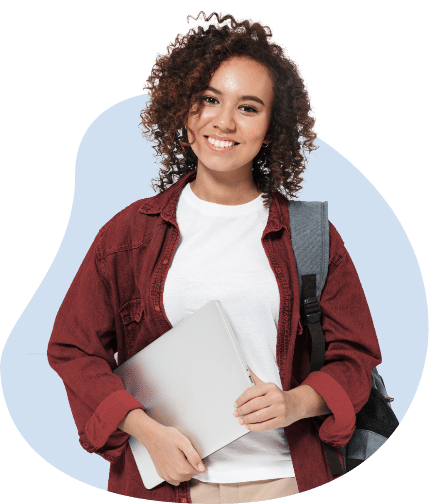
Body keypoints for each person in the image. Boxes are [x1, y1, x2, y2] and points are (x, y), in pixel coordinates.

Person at [47, 10, 382, 504]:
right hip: (172, 484)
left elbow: (356, 357)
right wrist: (147, 431)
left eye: (248, 107)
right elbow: (73, 350)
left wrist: (294, 403)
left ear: (272, 129)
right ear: (184, 111)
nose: (223, 121)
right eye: (208, 99)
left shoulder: (310, 234)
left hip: (290, 478)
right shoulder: (128, 236)